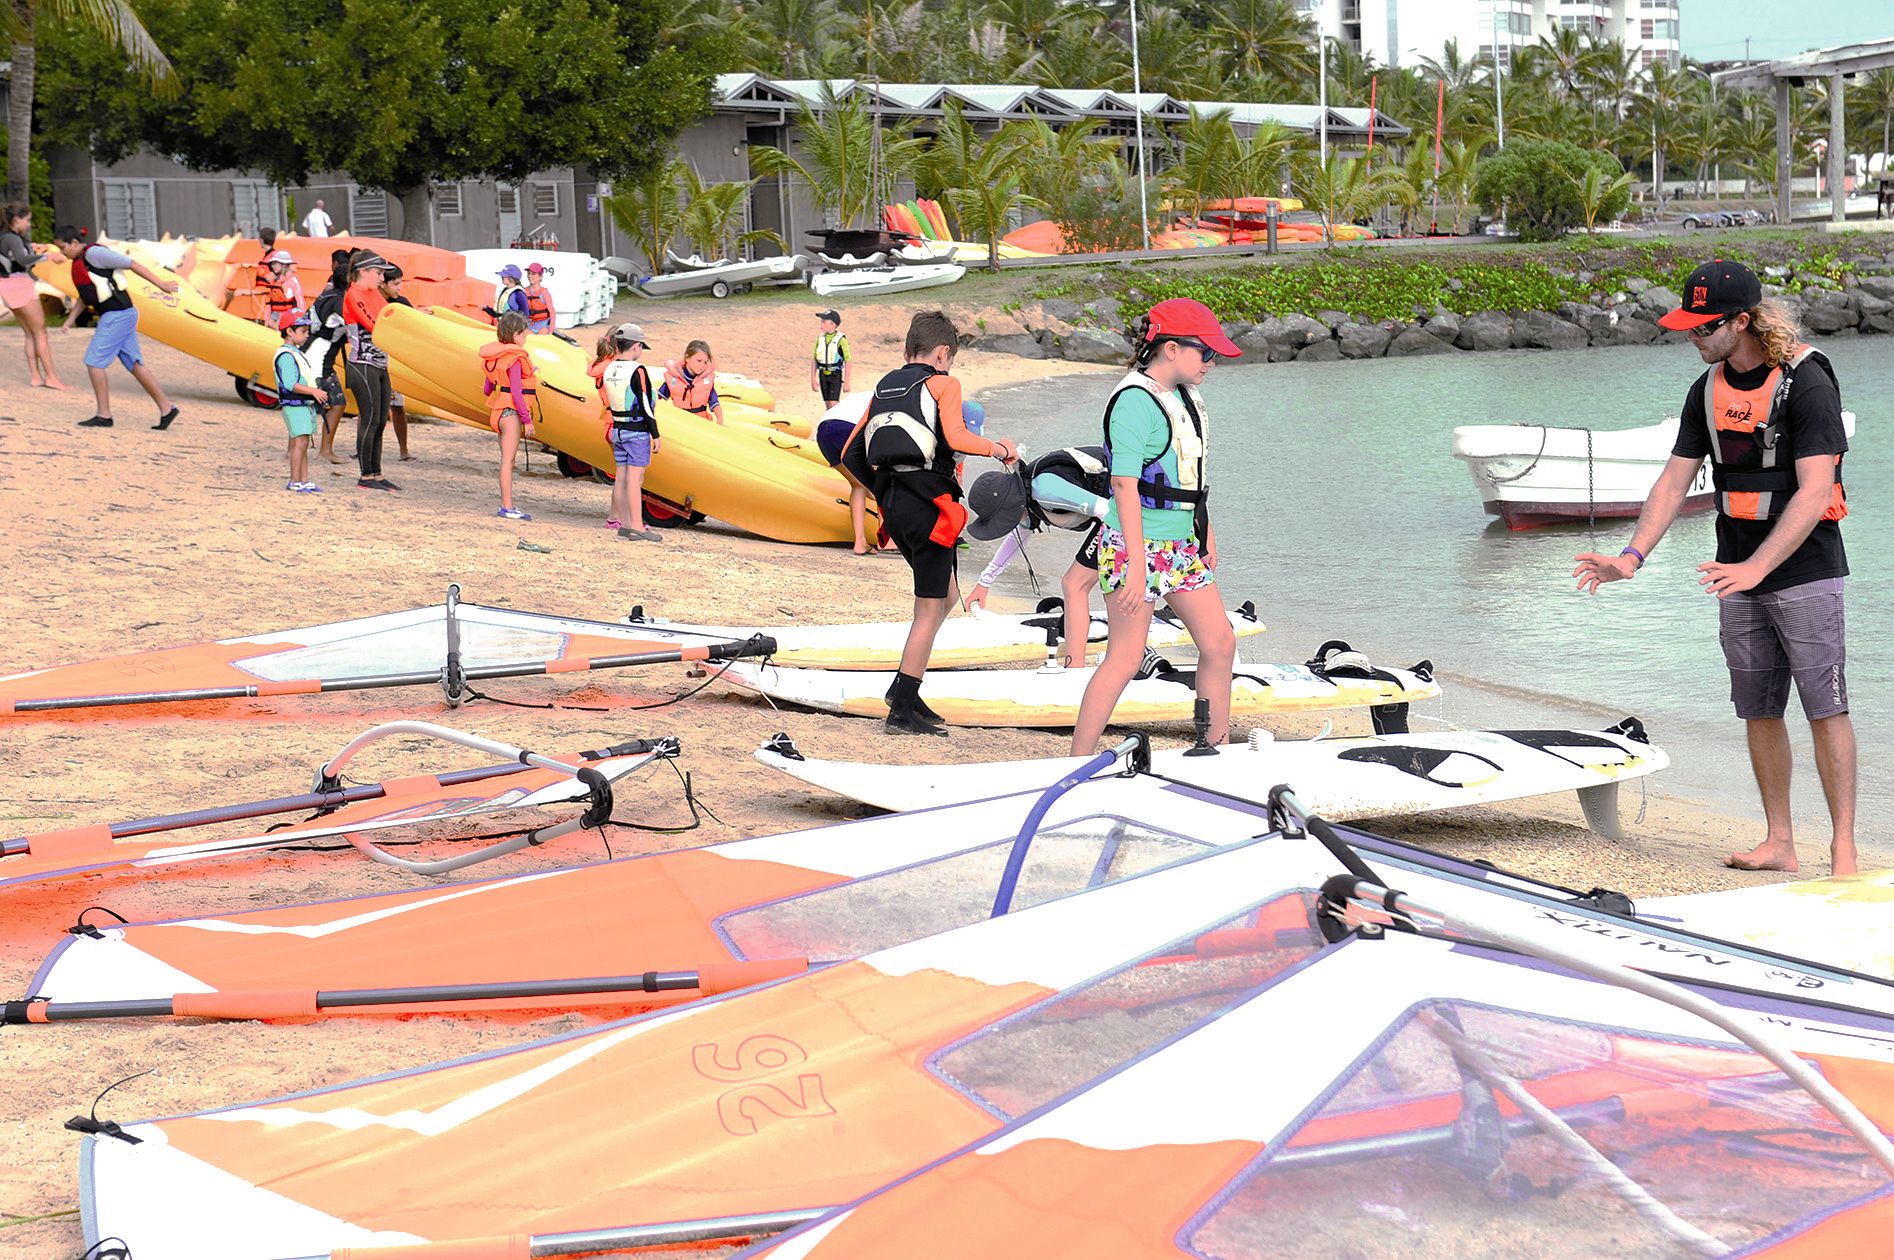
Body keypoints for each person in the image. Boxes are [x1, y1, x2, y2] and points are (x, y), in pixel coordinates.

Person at [1575, 259, 1853, 876]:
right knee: (1758, 707)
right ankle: (1780, 841)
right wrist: (1631, 557)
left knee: (1825, 707)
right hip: (1736, 572)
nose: (1691, 338)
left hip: (1805, 570)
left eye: (1703, 328)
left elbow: (1814, 491)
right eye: (1689, 328)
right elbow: (1675, 480)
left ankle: (1843, 851)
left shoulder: (1805, 383)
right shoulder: (1705, 389)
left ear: (1743, 322)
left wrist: (1757, 567)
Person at [1070, 298, 1239, 756]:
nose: (1212, 362)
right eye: (1205, 351)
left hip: (1180, 544)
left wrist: (1206, 533)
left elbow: (1190, 478)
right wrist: (1139, 569)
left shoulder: (1182, 396)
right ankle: (1076, 759)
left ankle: (1211, 747)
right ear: (1170, 348)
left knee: (1220, 643)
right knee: (1124, 658)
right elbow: (1124, 486)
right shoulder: (1134, 403)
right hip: (1132, 547)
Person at [841, 310, 1019, 735]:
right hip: (930, 507)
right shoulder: (944, 383)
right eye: (950, 358)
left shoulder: (885, 386)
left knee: (948, 596)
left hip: (897, 507)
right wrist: (1000, 449)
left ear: (907, 351)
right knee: (929, 608)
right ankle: (901, 706)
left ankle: (907, 683)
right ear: (943, 353)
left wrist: (885, 494)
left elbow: (849, 454)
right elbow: (956, 439)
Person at [964, 442, 1113, 667]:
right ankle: (1079, 663)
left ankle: (1075, 667)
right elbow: (1019, 536)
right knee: (1077, 584)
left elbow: (1110, 512)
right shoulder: (1026, 496)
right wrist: (984, 583)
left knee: (1075, 585)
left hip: (1130, 509)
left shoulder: (1046, 489)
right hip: (1119, 512)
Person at [53, 224, 181, 430]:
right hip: (121, 314)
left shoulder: (95, 254)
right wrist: (70, 319)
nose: (62, 253)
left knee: (94, 362)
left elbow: (132, 264)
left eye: (62, 248)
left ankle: (104, 415)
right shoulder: (80, 261)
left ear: (74, 243)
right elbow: (86, 296)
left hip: (117, 315)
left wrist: (162, 285)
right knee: (134, 364)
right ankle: (167, 409)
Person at [593, 322, 662, 542]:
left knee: (621, 478)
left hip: (618, 430)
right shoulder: (637, 370)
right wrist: (655, 434)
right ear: (636, 346)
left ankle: (623, 524)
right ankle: (637, 526)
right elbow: (644, 402)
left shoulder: (610, 368)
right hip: (636, 431)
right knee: (635, 480)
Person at [342, 250, 396, 490]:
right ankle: (365, 476)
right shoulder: (354, 294)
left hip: (380, 364)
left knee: (381, 420)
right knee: (370, 419)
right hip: (362, 364)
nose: (381, 278)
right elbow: (375, 325)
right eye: (378, 272)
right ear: (363, 272)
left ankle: (376, 472)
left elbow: (391, 317)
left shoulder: (374, 293)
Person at [0, 202, 66, 389]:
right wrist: (49, 257)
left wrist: (34, 247)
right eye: (27, 220)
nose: (28, 224)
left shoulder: (5, 237)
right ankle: (51, 377)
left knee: (30, 333)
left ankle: (36, 376)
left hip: (6, 285)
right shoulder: (12, 239)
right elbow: (22, 260)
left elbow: (16, 255)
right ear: (16, 219)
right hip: (19, 285)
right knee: (40, 332)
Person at [480, 311, 538, 521]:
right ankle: (507, 506)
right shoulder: (514, 358)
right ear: (515, 335)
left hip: (497, 412)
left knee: (506, 460)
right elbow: (516, 391)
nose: (525, 340)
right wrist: (527, 419)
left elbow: (488, 388)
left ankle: (507, 505)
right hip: (510, 413)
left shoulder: (493, 358)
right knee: (508, 461)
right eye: (524, 335)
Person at [274, 311, 328, 492]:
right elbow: (290, 383)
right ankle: (295, 480)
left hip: (303, 405)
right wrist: (313, 391)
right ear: (289, 331)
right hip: (295, 405)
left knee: (304, 442)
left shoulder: (294, 353)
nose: (306, 335)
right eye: (303, 331)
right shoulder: (286, 355)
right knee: (300, 442)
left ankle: (303, 479)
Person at [307, 249, 352, 465]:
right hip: (320, 357)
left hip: (310, 352)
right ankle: (325, 450)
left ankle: (297, 449)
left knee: (303, 402)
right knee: (338, 402)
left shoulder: (328, 294)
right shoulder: (340, 301)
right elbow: (352, 329)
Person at [379, 264, 413, 460]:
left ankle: (404, 450)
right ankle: (367, 451)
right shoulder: (373, 302)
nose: (399, 288)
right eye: (396, 284)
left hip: (395, 361)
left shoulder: (401, 302)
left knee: (398, 406)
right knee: (375, 409)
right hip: (376, 360)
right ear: (382, 283)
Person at [660, 339, 724, 424]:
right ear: (687, 358)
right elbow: (658, 399)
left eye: (705, 362)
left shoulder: (706, 381)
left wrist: (720, 419)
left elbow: (714, 403)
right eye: (699, 361)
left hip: (701, 422)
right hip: (680, 422)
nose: (702, 365)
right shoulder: (673, 378)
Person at [255, 250, 304, 330]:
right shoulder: (273, 281)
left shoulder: (292, 281)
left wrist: (299, 322)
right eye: (272, 264)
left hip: (287, 318)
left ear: (284, 265)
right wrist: (267, 321)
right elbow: (270, 303)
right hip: (274, 318)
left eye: (275, 264)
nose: (273, 266)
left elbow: (300, 302)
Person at [810, 308, 850, 404]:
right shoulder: (820, 339)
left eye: (824, 322)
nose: (821, 325)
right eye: (821, 322)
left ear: (833, 324)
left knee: (833, 404)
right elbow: (814, 359)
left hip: (835, 375)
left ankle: (836, 418)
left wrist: (847, 381)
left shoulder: (841, 340)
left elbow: (848, 360)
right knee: (827, 404)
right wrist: (813, 379)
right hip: (823, 375)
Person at [522, 262, 556, 334]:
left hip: (543, 326)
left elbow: (552, 312)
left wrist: (551, 329)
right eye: (529, 273)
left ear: (540, 276)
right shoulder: (524, 291)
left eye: (533, 274)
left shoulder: (544, 293)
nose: (530, 276)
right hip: (528, 326)